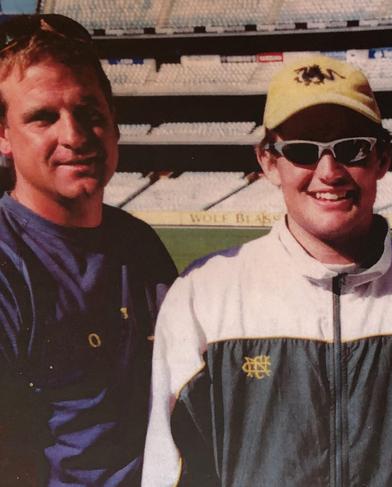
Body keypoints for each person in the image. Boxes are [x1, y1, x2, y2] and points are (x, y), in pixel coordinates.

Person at [143, 54, 392, 486]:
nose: (329, 173)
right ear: (269, 162)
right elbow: (170, 469)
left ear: (383, 159)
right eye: (302, 151)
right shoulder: (203, 297)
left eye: (352, 149)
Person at [0, 14, 177, 486]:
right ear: (3, 136)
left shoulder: (141, 247)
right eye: (42, 117)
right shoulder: (7, 265)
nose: (74, 137)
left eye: (90, 114)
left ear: (114, 126)